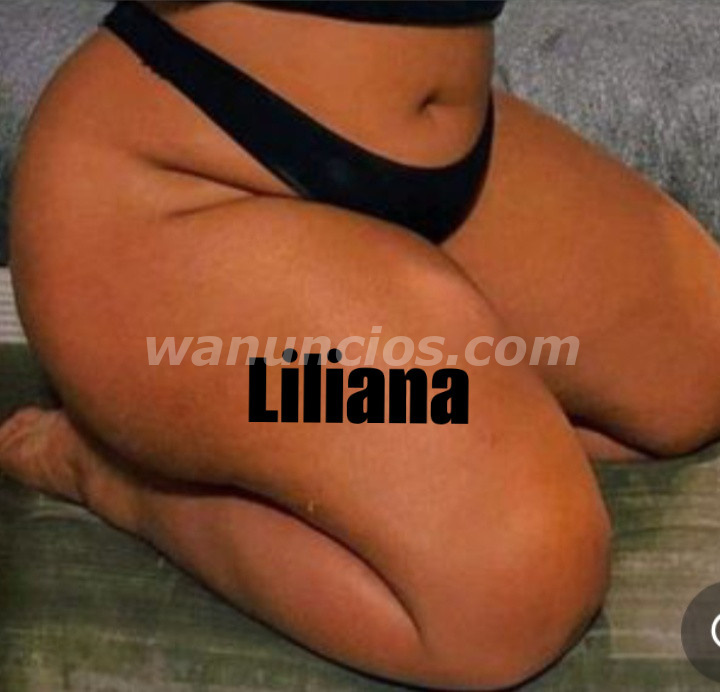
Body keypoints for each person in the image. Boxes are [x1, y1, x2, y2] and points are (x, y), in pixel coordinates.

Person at [2, 1, 720, 688]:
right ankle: (129, 482)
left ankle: (435, 417)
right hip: (174, 193)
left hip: (435, 168)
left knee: (693, 373)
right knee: (520, 589)